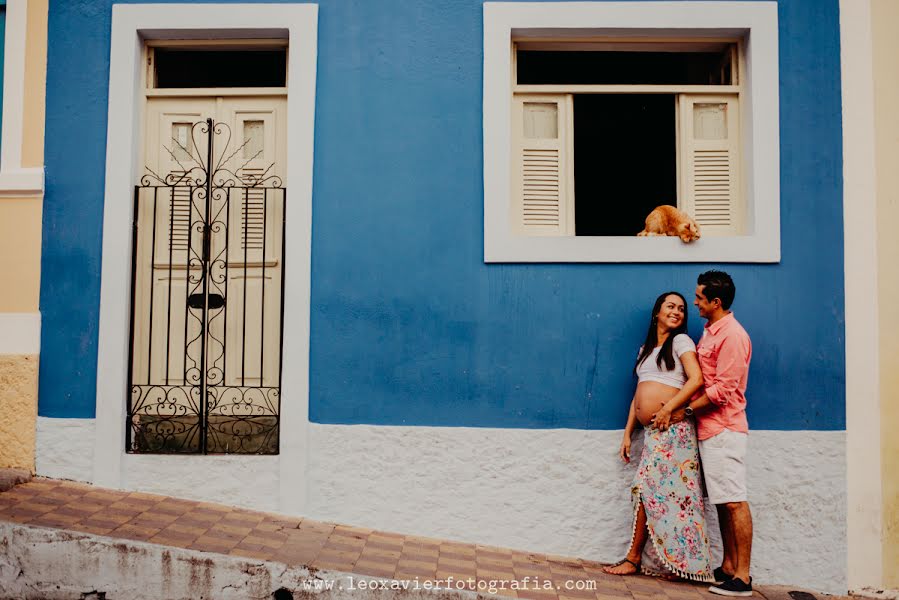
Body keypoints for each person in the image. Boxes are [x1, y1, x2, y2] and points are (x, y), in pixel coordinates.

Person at [603, 292, 714, 582]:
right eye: (670, 306)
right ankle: (663, 563)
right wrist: (628, 433)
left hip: (673, 429)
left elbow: (696, 380)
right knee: (660, 495)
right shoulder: (646, 349)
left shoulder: (681, 342)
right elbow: (637, 396)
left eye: (681, 309)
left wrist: (669, 408)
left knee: (657, 492)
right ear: (657, 312)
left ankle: (635, 559)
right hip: (653, 432)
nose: (677, 311)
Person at [682, 271, 754, 597]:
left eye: (699, 298)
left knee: (735, 502)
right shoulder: (710, 332)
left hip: (725, 429)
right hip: (710, 431)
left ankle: (743, 577)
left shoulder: (733, 336)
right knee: (723, 502)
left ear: (716, 302)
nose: (694, 302)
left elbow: (723, 390)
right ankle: (727, 566)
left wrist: (684, 410)